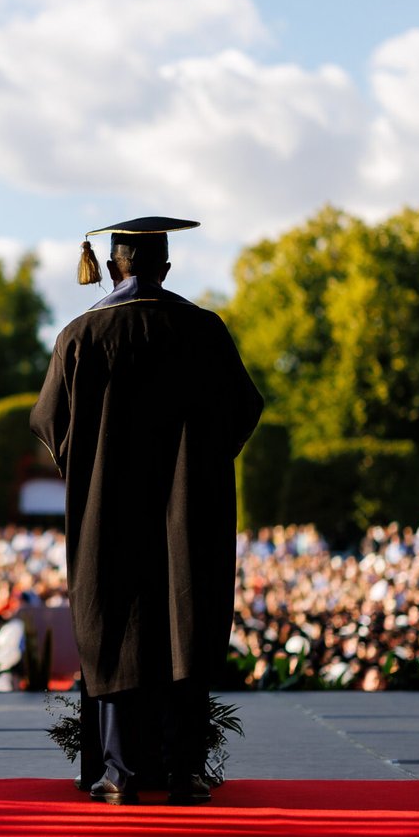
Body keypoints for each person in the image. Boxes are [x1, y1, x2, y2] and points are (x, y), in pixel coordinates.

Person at [30, 216, 263, 807]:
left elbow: (49, 422)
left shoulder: (81, 336)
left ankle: (121, 773)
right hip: (191, 507)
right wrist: (200, 463)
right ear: (165, 266)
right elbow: (243, 409)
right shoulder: (205, 331)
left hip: (109, 510)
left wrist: (93, 465)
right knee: (185, 624)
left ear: (112, 267)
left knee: (115, 627)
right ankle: (183, 771)